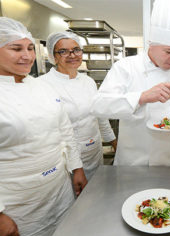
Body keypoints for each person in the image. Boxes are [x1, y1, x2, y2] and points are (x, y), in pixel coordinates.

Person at [0, 17, 87, 236]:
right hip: (19, 206)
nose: (27, 55)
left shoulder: (41, 86)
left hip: (59, 191)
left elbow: (65, 130)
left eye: (30, 48)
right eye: (16, 48)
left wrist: (76, 167)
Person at [91, 0, 170, 166]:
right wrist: (142, 97)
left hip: (169, 159)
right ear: (151, 44)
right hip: (132, 160)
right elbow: (99, 106)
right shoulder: (126, 67)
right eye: (169, 51)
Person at [37, 32, 117, 181]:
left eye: (76, 49)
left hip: (94, 152)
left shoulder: (88, 81)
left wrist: (115, 144)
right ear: (53, 56)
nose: (72, 55)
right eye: (63, 51)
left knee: (96, 192)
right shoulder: (43, 85)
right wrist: (75, 166)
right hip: (67, 159)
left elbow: (100, 117)